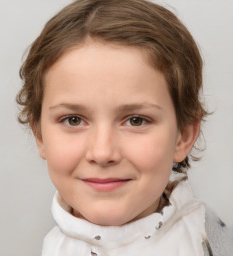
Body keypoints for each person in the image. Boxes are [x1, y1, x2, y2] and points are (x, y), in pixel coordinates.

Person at [16, 0, 233, 255]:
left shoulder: (210, 241)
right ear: (40, 135)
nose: (102, 153)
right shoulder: (53, 248)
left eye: (136, 120)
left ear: (183, 136)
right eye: (74, 120)